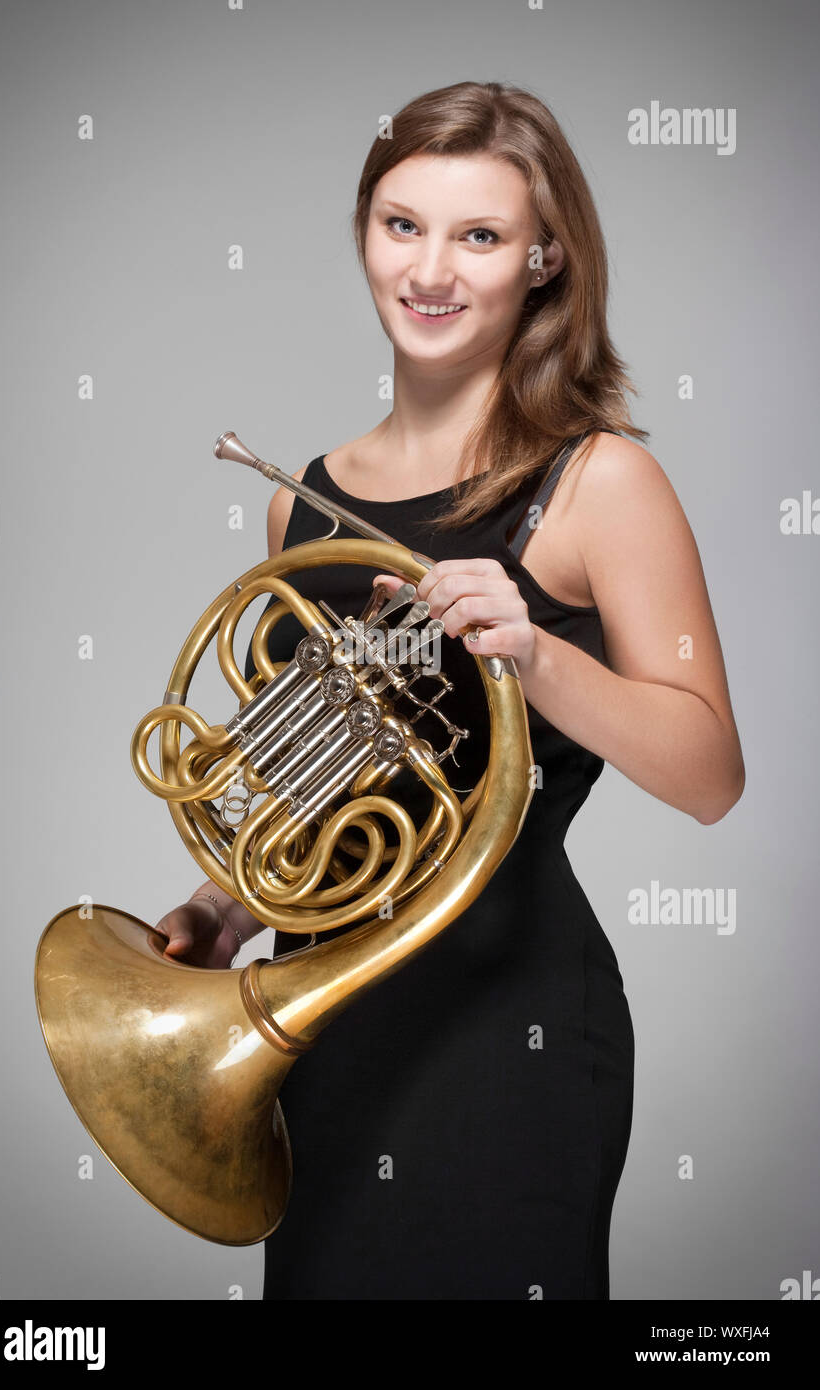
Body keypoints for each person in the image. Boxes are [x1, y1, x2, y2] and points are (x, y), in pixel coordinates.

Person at [154, 80, 745, 1299]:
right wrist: (224, 906)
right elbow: (327, 764)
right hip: (320, 1024)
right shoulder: (300, 497)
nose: (430, 269)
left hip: (508, 1026)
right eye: (399, 223)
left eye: (477, 235)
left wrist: (536, 652)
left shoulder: (598, 480)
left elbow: (709, 776)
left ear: (541, 258)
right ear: (363, 233)